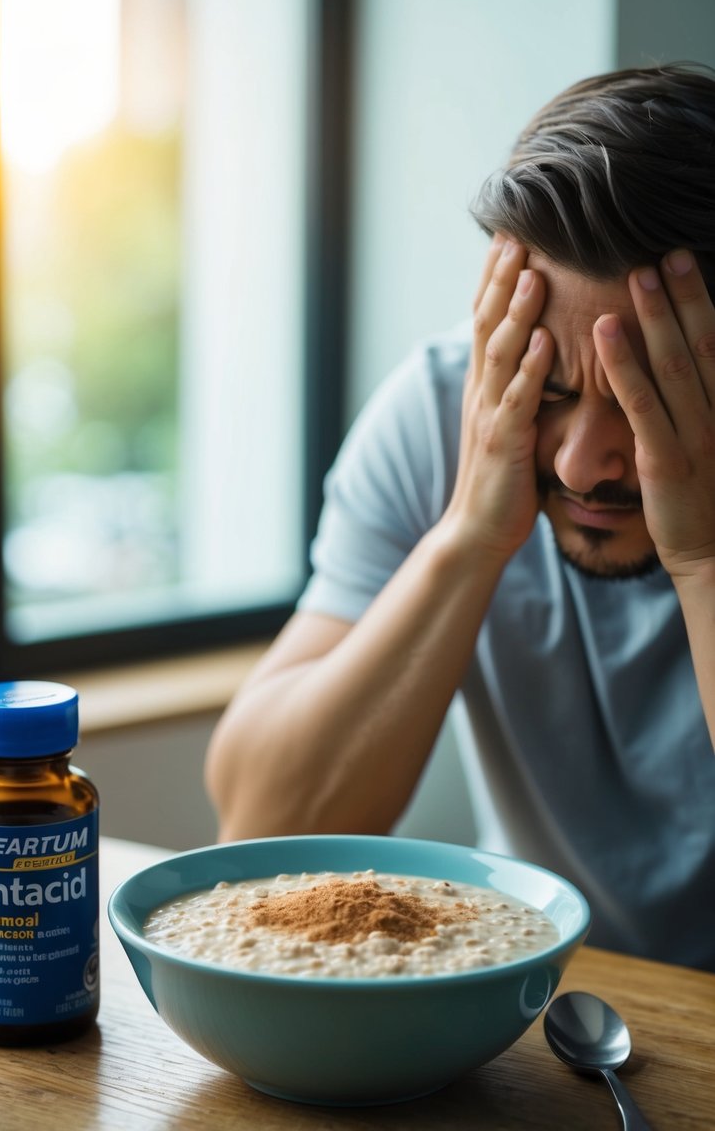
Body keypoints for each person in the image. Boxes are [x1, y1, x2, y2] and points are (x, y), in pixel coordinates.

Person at [204, 64, 715, 970]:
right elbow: (260, 822)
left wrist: (701, 556)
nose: (578, 464)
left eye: (647, 404)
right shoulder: (451, 414)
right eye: (549, 387)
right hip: (544, 1012)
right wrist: (468, 537)